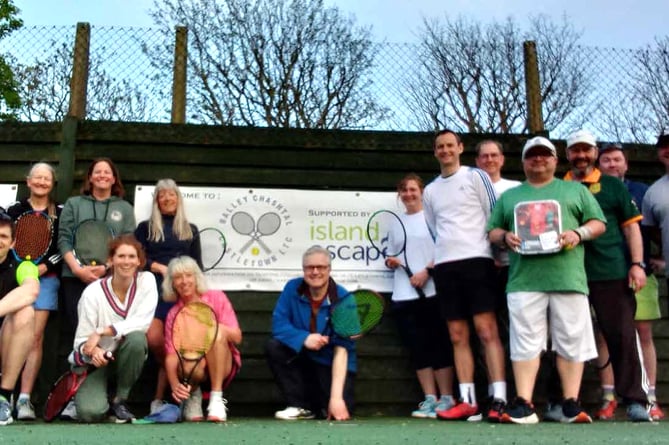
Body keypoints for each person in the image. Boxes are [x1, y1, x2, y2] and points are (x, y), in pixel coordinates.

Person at [487, 136, 606, 424]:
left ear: (555, 160)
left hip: (568, 278)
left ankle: (570, 404)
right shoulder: (511, 196)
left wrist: (578, 234)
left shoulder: (575, 190)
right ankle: (524, 405)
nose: (538, 160)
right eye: (532, 156)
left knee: (571, 340)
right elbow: (492, 230)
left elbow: (598, 223)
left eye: (544, 155)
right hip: (523, 280)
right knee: (525, 341)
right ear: (524, 161)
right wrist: (505, 237)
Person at [564, 130, 650, 422]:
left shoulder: (612, 186)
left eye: (586, 150)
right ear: (567, 155)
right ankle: (562, 401)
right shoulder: (556, 186)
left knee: (622, 335)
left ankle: (635, 400)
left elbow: (631, 227)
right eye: (575, 150)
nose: (581, 155)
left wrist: (637, 264)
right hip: (565, 274)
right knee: (563, 338)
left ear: (594, 152)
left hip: (610, 271)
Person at [423, 130, 507, 422]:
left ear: (460, 148)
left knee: (487, 331)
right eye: (440, 147)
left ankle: (499, 399)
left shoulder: (475, 176)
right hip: (446, 266)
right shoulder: (430, 190)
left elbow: (494, 216)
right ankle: (468, 400)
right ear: (435, 152)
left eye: (450, 145)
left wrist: (495, 255)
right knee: (457, 335)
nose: (445, 150)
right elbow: (435, 229)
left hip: (478, 262)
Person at [596, 143, 664, 420]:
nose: (612, 164)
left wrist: (656, 260)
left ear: (626, 164)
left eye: (617, 160)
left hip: (639, 275)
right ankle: (609, 395)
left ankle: (650, 398)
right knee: (605, 335)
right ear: (598, 164)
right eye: (607, 160)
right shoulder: (590, 191)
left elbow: (655, 230)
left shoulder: (643, 192)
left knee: (642, 335)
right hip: (605, 275)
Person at [386, 174, 454, 419]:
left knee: (439, 345)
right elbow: (391, 253)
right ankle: (429, 399)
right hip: (404, 295)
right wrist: (392, 261)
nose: (408, 194)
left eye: (413, 189)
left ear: (422, 192)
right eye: (403, 190)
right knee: (418, 349)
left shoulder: (433, 218)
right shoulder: (396, 222)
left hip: (433, 292)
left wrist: (427, 271)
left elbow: (446, 248)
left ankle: (447, 398)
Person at [69, 234, 157, 423]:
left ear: (139, 261)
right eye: (121, 256)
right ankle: (98, 398)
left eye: (132, 257)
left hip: (126, 358)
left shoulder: (147, 281)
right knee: (90, 414)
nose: (126, 262)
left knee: (137, 339)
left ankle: (119, 400)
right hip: (96, 365)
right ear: (110, 260)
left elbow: (143, 322)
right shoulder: (92, 293)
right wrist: (94, 351)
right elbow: (81, 342)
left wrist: (103, 331)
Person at [134, 179, 202, 415]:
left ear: (178, 198)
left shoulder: (190, 229)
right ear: (156, 201)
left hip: (180, 296)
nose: (167, 198)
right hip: (153, 293)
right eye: (161, 195)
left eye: (171, 194)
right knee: (155, 340)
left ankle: (165, 398)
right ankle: (181, 385)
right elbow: (138, 261)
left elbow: (197, 266)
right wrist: (162, 269)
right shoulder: (145, 228)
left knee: (179, 345)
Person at [266, 246, 356, 421]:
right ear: (303, 269)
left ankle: (323, 404)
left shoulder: (345, 300)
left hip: (332, 366)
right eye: (310, 267)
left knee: (333, 412)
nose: (315, 272)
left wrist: (336, 399)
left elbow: (342, 351)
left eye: (321, 267)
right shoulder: (292, 287)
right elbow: (279, 325)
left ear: (329, 270)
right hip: (304, 360)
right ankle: (299, 406)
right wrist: (304, 338)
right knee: (274, 346)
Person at [6, 163, 63, 420]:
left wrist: (42, 267)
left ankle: (25, 399)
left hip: (46, 280)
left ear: (52, 184)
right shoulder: (13, 211)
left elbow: (64, 248)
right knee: (9, 328)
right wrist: (18, 268)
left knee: (35, 338)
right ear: (28, 181)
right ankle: (5, 393)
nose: (41, 182)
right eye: (37, 177)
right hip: (12, 278)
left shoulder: (60, 213)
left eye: (46, 178)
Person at [58, 157, 136, 333]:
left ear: (114, 179)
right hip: (74, 277)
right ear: (90, 178)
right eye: (98, 172)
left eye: (107, 172)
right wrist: (77, 269)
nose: (102, 175)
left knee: (106, 331)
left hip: (111, 277)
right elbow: (64, 238)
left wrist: (107, 267)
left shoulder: (125, 208)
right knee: (80, 331)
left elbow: (127, 243)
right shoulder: (73, 204)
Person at [163, 256, 241, 422]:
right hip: (194, 368)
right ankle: (194, 394)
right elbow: (171, 355)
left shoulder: (216, 297)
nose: (184, 281)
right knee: (187, 360)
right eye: (178, 277)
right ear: (172, 284)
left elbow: (237, 336)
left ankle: (216, 398)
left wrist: (209, 325)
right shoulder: (173, 314)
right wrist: (174, 383)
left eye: (188, 275)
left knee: (218, 331)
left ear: (196, 277)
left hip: (222, 363)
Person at [475, 140, 521, 405]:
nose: (489, 160)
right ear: (478, 161)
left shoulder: (516, 189)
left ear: (502, 159)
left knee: (520, 333)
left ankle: (523, 394)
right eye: (484, 156)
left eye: (494, 155)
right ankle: (496, 393)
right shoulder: (471, 189)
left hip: (516, 271)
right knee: (487, 333)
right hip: (483, 271)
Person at [0, 211, 40, 425]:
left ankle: (3, 397)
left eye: (3, 236)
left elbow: (31, 291)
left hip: (5, 343)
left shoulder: (24, 267)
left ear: (13, 242)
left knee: (26, 311)